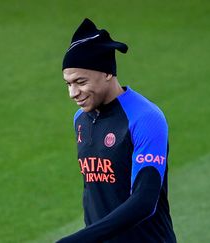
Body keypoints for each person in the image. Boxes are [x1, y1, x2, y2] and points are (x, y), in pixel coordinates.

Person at [57, 18, 176, 243]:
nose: (73, 93)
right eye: (68, 84)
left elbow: (144, 202)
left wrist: (80, 239)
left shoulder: (145, 118)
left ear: (107, 73)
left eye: (80, 82)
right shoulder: (80, 119)